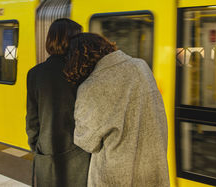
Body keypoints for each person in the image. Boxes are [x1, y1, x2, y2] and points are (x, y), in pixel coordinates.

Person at [64, 33, 170, 187]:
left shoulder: (91, 87)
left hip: (117, 178)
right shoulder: (141, 66)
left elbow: (86, 142)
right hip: (153, 171)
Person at [26, 19, 90, 187]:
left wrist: (38, 147)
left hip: (47, 151)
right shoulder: (83, 71)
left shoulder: (34, 74)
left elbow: (32, 121)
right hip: (79, 154)